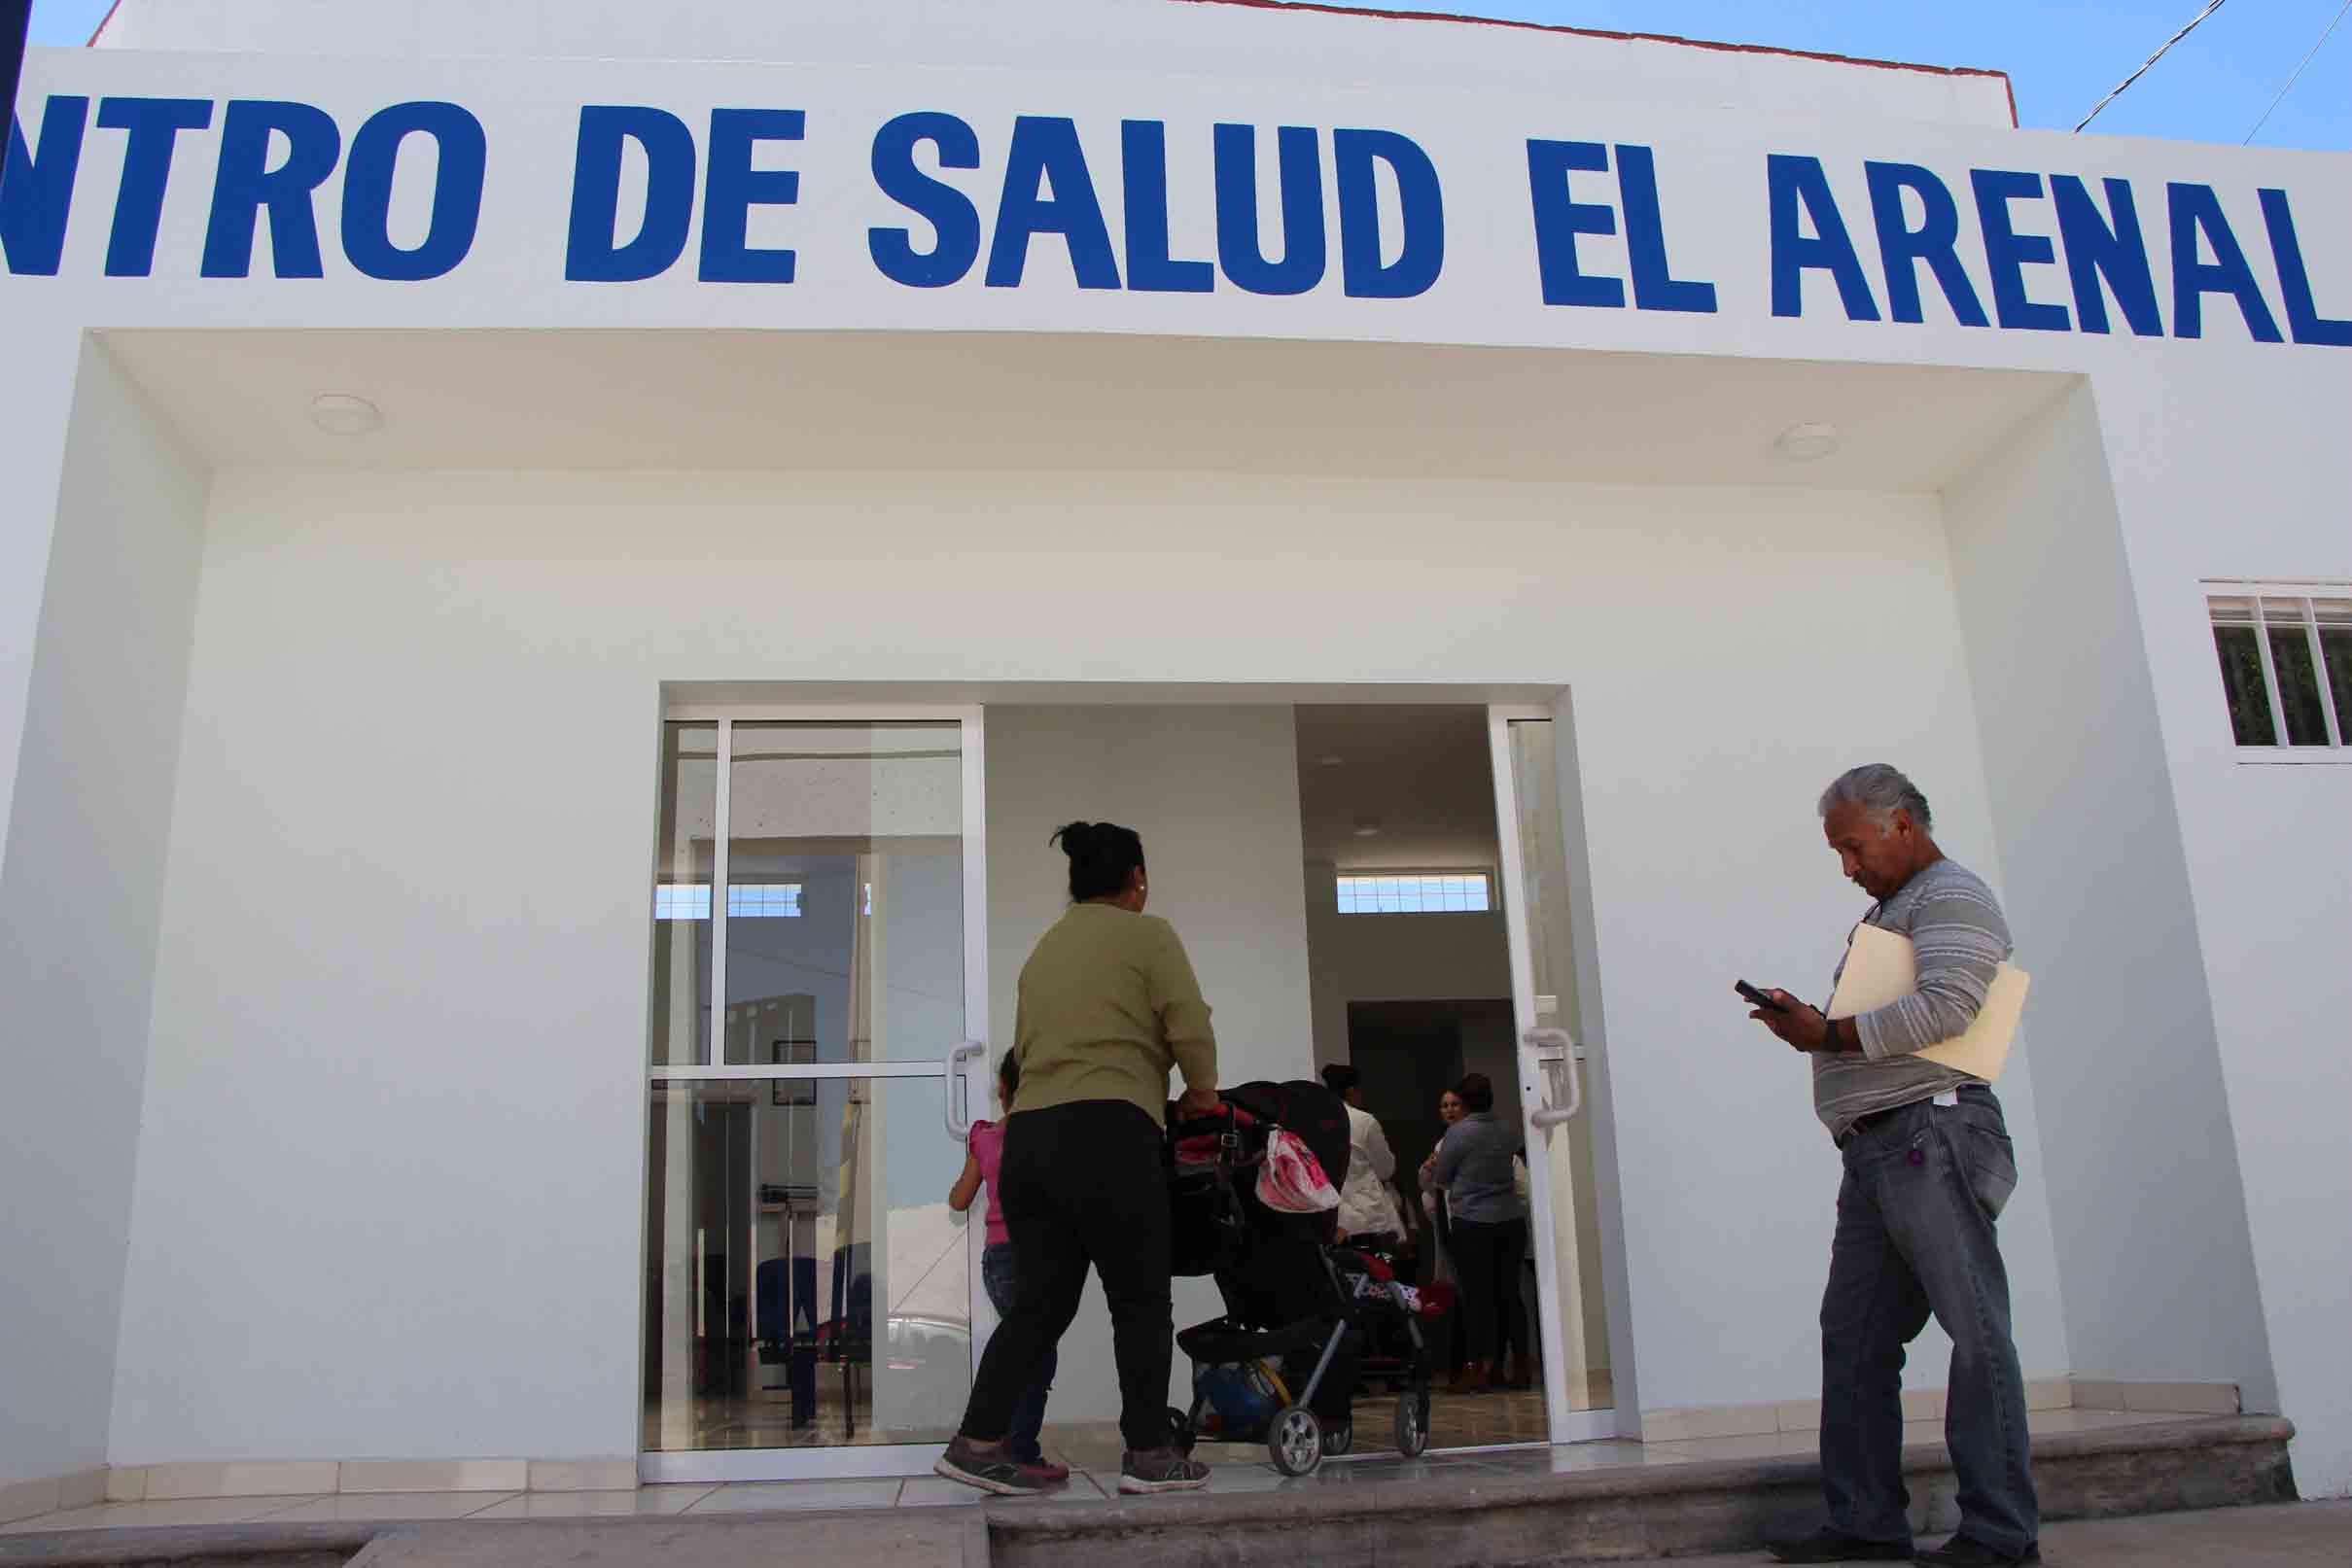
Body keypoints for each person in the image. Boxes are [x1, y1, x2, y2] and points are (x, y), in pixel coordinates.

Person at [1750, 765, 2040, 1567]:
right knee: (1853, 1336)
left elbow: (1950, 1005)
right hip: (1879, 1148)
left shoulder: (1951, 895)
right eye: (1838, 852)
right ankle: (1865, 1520)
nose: (1847, 866)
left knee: (1975, 1332)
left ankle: (2001, 1533)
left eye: (1853, 846)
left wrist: (1827, 1034)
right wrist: (1816, 1027)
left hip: (1930, 1134)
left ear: (1902, 823)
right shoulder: (1894, 909)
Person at [935, 821, 1220, 1498]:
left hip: (1030, 1141)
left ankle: (976, 1441)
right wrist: (1202, 1093)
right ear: (1137, 879)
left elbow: (1027, 1049)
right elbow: (1188, 1021)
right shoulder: (1148, 935)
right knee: (1140, 1300)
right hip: (1110, 1133)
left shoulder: (1045, 948)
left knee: (1040, 1303)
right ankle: (1148, 1451)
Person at [946, 1052, 1067, 1485]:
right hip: (1034, 1256)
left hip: (996, 1258)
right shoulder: (1050, 1135)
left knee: (1021, 1348)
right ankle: (1019, 1449)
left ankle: (1007, 1443)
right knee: (1037, 1355)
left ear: (1002, 1090)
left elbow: (959, 1200)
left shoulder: (985, 1138)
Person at [1425, 1072, 1529, 1394]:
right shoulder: (1508, 1129)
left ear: (1465, 1102)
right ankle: (1521, 1365)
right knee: (1510, 1294)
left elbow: (1442, 1178)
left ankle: (1475, 1370)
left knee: (1475, 1298)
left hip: (1472, 1222)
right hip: (1510, 1220)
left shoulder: (1458, 1133)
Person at [1320, 1063, 1405, 1252]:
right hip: (1366, 1216)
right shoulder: (1364, 1121)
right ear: (1351, 1091)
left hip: (1330, 1213)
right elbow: (1386, 1169)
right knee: (1371, 1266)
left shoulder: (1315, 1121)